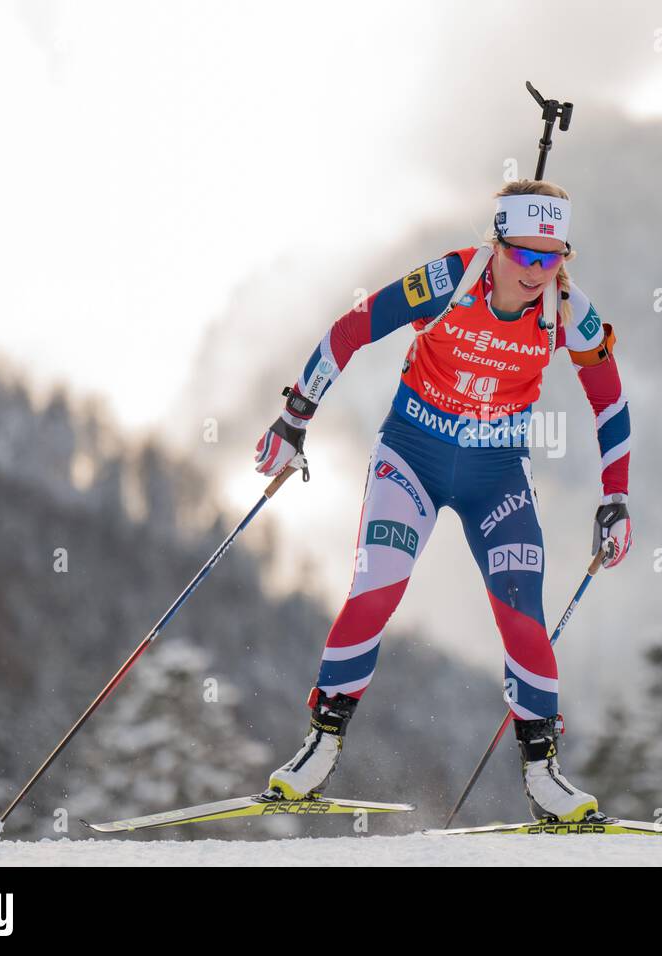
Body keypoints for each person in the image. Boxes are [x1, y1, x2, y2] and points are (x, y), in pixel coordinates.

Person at [252, 180, 633, 822]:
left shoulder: (569, 311)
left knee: (521, 611)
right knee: (377, 588)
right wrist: (295, 417)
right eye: (524, 256)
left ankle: (543, 774)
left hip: (497, 475)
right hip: (413, 456)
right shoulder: (450, 280)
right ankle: (320, 744)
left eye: (553, 257)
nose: (538, 272)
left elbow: (610, 400)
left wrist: (615, 498)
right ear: (498, 245)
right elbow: (354, 328)